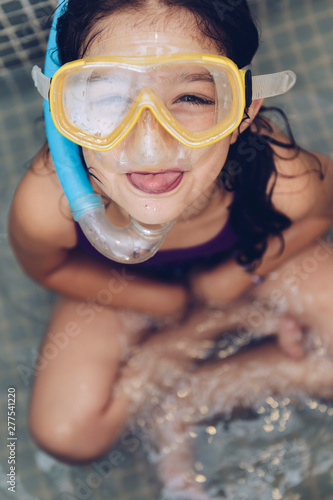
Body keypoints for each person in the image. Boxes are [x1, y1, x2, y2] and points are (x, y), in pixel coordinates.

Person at [8, 0, 333, 472]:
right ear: (67, 114)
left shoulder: (283, 178)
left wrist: (239, 273)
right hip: (117, 284)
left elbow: (319, 217)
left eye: (192, 98)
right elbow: (48, 266)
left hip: (252, 256)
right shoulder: (48, 205)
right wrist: (159, 302)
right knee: (67, 434)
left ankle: (188, 395)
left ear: (243, 111)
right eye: (106, 100)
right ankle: (207, 332)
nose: (150, 143)